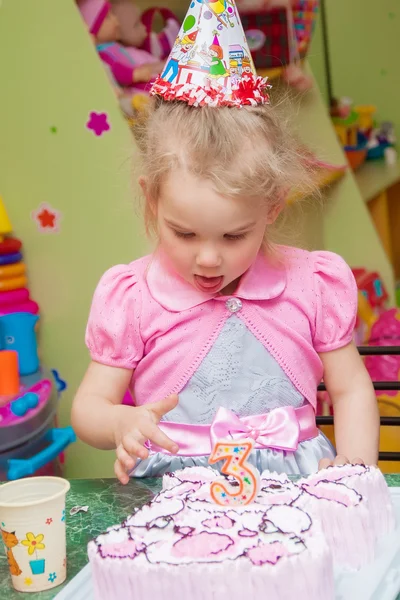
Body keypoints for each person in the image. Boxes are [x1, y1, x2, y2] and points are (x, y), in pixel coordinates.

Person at [72, 0, 379, 485]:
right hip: (177, 492)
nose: (209, 257)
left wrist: (356, 470)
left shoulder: (312, 283)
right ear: (151, 201)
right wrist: (117, 421)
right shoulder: (132, 298)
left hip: (295, 487)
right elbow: (89, 406)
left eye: (235, 235)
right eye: (184, 232)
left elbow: (350, 389)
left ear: (273, 206)